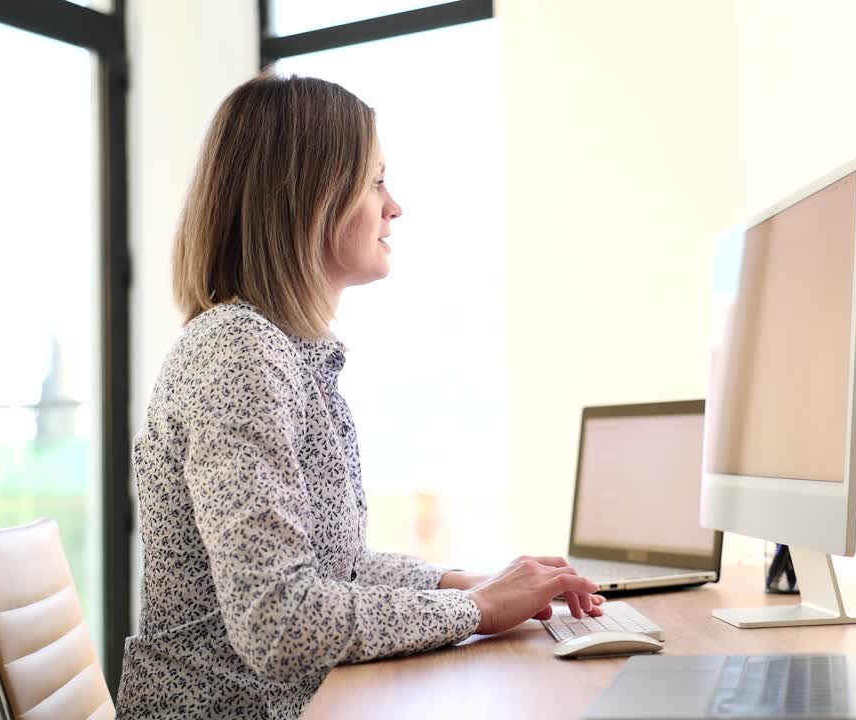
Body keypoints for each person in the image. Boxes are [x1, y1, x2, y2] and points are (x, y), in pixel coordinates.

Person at [115, 74, 604, 719]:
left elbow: (335, 568)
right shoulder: (237, 352)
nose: (393, 206)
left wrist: (470, 582)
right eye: (375, 182)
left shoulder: (289, 353)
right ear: (310, 198)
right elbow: (278, 620)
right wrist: (478, 609)